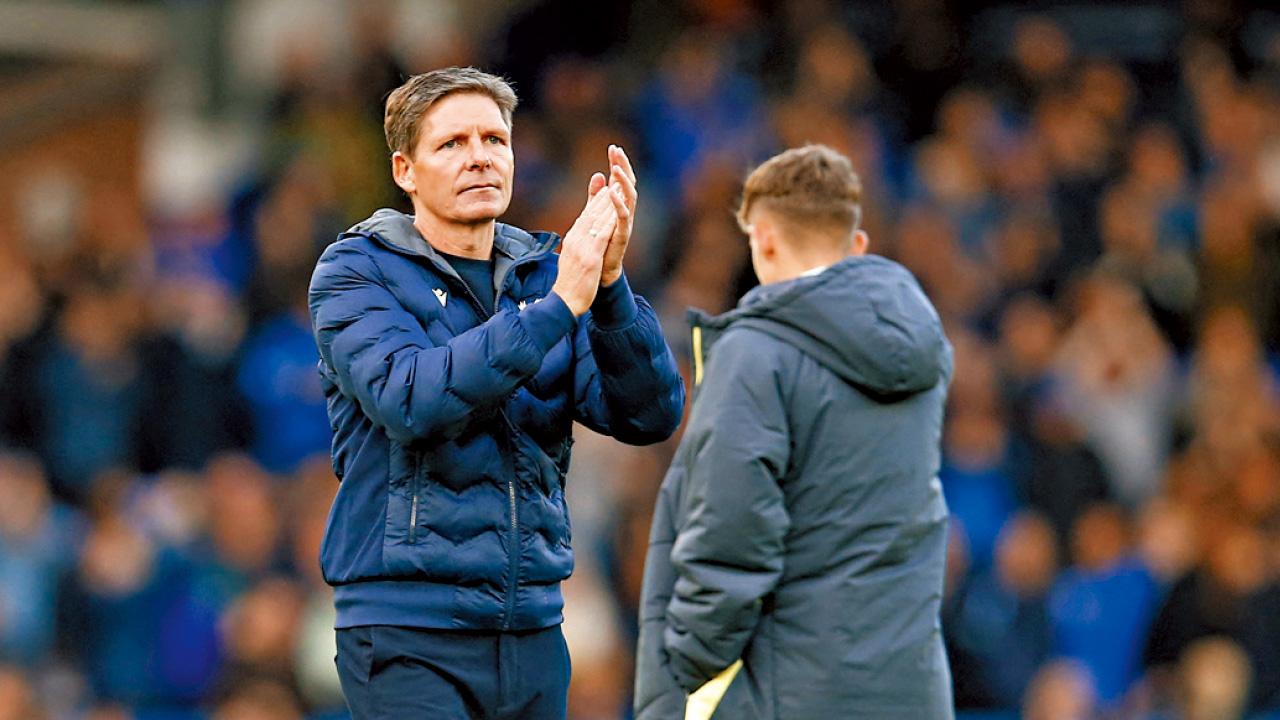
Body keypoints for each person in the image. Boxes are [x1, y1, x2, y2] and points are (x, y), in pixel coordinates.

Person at [308, 67, 684, 720]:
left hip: (532, 624)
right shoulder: (356, 271)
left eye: (494, 140)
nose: (479, 156)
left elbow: (649, 414)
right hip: (409, 627)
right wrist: (560, 305)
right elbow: (410, 398)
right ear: (405, 170)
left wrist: (611, 286)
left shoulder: (547, 272)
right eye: (452, 143)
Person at [634, 144, 954, 719]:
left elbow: (728, 543)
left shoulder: (754, 355)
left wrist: (681, 672)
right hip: (914, 688)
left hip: (789, 692)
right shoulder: (926, 345)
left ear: (763, 241)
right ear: (858, 245)